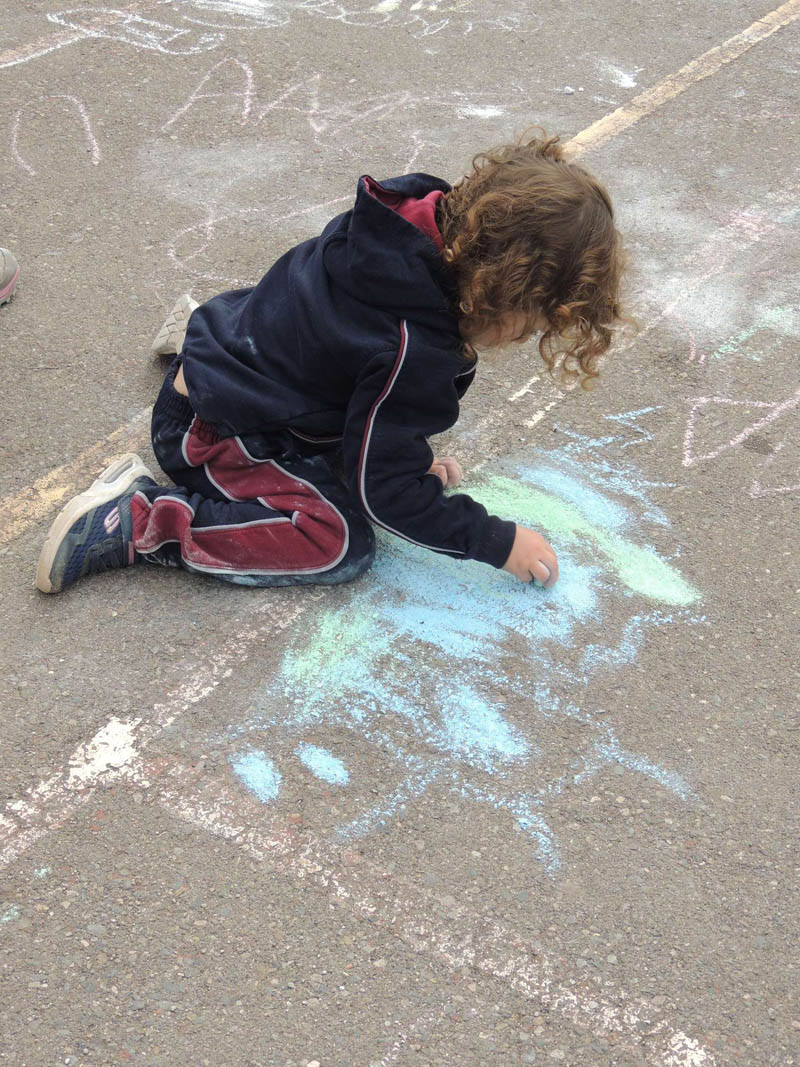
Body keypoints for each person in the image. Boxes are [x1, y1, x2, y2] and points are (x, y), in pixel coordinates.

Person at [35, 131, 625, 595]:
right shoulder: (411, 346)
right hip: (211, 436)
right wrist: (495, 541)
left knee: (368, 461)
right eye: (534, 323)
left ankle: (204, 365)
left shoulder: (398, 232)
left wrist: (397, 460)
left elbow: (339, 355)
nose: (526, 339)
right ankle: (137, 521)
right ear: (503, 290)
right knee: (338, 542)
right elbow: (383, 496)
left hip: (230, 355)